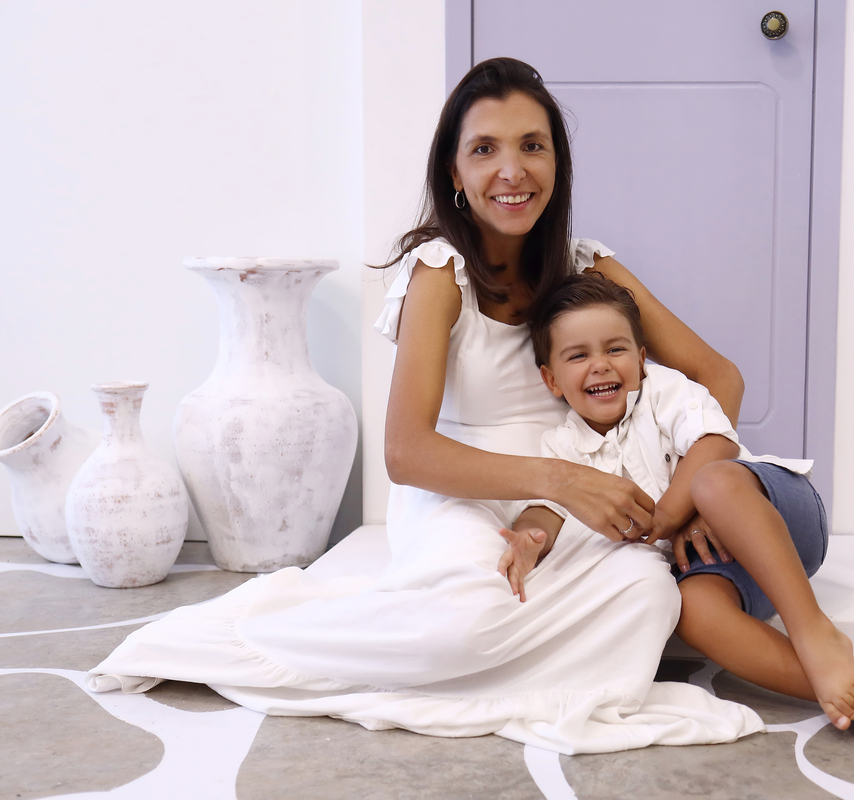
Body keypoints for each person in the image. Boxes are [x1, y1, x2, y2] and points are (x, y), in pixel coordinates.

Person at [85, 57, 765, 755]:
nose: (512, 171)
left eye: (532, 146)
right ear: (454, 174)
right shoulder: (441, 273)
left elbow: (718, 377)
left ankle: (510, 665)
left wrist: (685, 504)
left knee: (651, 594)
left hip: (572, 508)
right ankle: (256, 637)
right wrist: (562, 480)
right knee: (466, 623)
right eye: (485, 149)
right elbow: (406, 452)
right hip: (461, 495)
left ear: (557, 163)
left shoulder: (587, 266)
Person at [498, 272, 854, 742]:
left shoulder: (662, 392)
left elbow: (716, 443)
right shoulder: (562, 447)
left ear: (641, 358)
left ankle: (814, 630)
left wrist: (670, 515)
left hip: (777, 516)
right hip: (719, 562)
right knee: (692, 611)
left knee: (712, 482)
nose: (600, 366)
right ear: (551, 379)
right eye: (578, 356)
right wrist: (530, 538)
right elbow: (546, 508)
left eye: (615, 349)